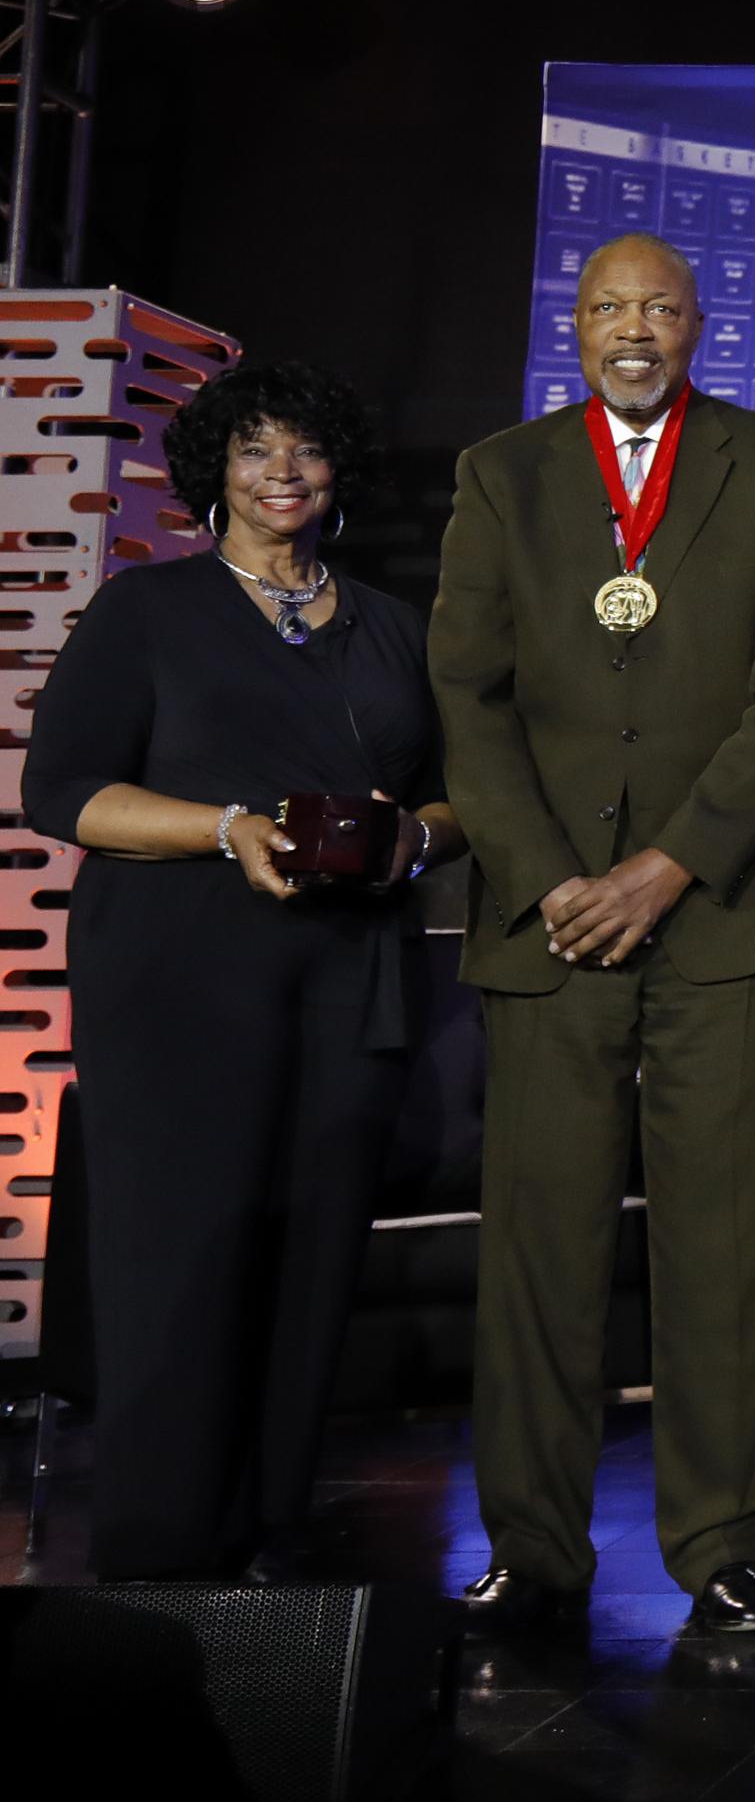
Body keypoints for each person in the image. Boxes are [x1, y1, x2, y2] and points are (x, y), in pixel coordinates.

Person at [432, 232, 755, 1638]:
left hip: (725, 910)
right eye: (611, 306)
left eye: (661, 307)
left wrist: (668, 863)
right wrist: (552, 875)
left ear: (697, 325)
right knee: (538, 1241)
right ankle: (532, 1545)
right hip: (545, 923)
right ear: (577, 322)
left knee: (725, 1247)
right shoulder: (506, 471)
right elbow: (466, 693)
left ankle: (726, 1545)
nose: (636, 328)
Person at [22, 360, 464, 1582]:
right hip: (177, 981)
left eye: (306, 453)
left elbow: (456, 795)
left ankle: (268, 1530)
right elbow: (61, 792)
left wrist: (415, 838)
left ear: (338, 478)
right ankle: (157, 1551)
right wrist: (227, 828)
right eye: (257, 451)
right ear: (217, 467)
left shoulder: (391, 626)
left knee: (311, 1259)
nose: (283, 474)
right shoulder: (148, 611)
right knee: (182, 1256)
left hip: (347, 973)